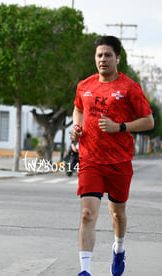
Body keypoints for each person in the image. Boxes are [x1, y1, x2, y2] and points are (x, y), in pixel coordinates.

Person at [70, 36, 154, 276]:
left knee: (117, 213)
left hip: (119, 162)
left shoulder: (130, 88)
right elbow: (78, 109)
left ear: (118, 58)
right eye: (99, 55)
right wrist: (77, 127)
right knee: (87, 214)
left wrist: (121, 127)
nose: (103, 59)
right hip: (90, 159)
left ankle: (118, 249)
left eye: (108, 55)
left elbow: (149, 121)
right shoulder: (84, 86)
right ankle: (85, 270)